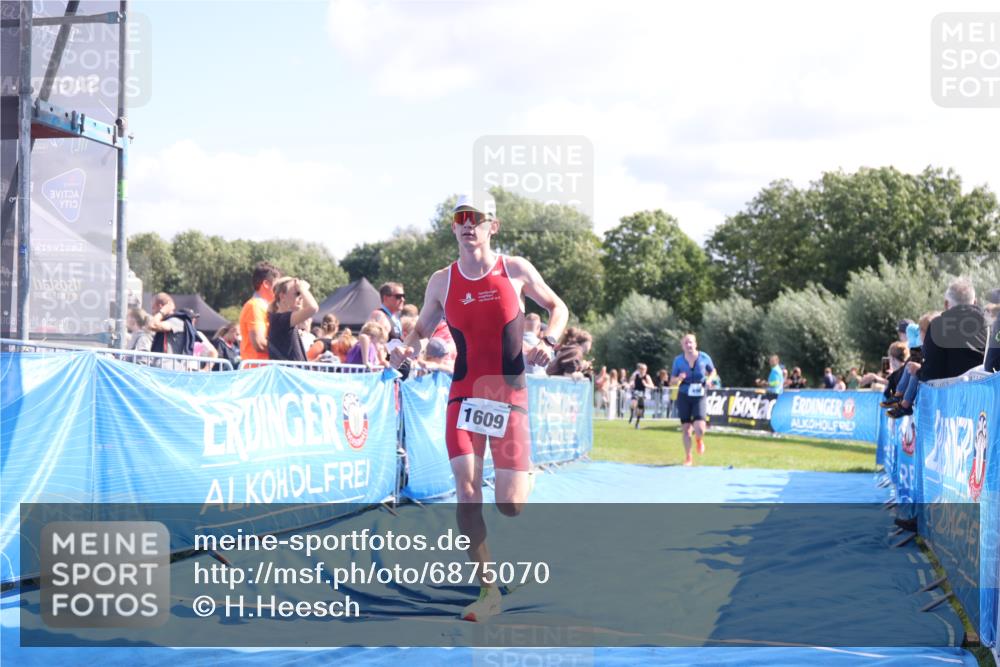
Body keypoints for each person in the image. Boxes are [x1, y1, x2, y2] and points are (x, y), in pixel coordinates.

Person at [390, 191, 567, 622]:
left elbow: (557, 307)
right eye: (461, 218)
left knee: (510, 505)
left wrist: (548, 342)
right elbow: (421, 330)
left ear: (493, 226)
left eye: (478, 218)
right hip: (464, 394)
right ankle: (488, 589)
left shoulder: (516, 269)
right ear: (454, 227)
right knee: (467, 492)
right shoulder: (441, 281)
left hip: (510, 395)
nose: (469, 224)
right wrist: (404, 350)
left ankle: (525, 474)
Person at [670, 334, 716, 466]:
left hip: (699, 395)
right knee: (686, 428)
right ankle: (688, 457)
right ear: (682, 346)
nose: (688, 345)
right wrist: (678, 378)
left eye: (690, 342)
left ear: (696, 344)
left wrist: (709, 379)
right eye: (686, 343)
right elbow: (671, 380)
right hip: (684, 395)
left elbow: (713, 371)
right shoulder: (678, 361)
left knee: (700, 428)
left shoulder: (704, 357)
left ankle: (699, 439)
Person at [240, 261, 282, 364]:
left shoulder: (265, 306)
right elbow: (259, 343)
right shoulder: (255, 306)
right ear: (266, 284)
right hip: (257, 373)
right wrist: (285, 350)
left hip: (265, 372)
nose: (281, 289)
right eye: (278, 284)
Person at [267, 277, 318, 362]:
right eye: (297, 293)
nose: (301, 297)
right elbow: (313, 308)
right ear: (282, 296)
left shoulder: (280, 319)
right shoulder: (280, 320)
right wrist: (303, 289)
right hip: (287, 374)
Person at [627, 363, 654, 429]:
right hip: (636, 392)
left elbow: (652, 386)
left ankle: (637, 423)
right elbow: (631, 381)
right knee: (633, 403)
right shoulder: (635, 375)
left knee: (640, 410)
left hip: (642, 394)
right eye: (641, 369)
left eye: (644, 369)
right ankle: (631, 415)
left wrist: (646, 384)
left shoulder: (647, 377)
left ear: (646, 370)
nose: (643, 370)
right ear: (639, 369)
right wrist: (630, 384)